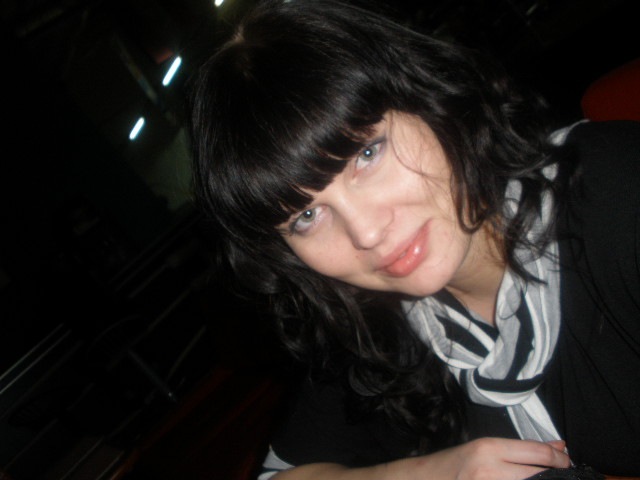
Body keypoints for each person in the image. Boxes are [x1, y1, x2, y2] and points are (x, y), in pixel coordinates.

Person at [186, 0, 640, 479]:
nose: (366, 232)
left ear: (426, 99)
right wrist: (434, 472)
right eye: (307, 216)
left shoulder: (617, 197)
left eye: (367, 153)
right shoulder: (381, 332)